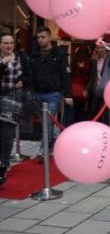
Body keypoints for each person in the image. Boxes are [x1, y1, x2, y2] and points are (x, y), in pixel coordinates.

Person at [30, 26, 72, 162]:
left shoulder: (59, 53)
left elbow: (65, 75)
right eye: (38, 38)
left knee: (48, 122)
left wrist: (67, 94)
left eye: (43, 37)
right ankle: (52, 143)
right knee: (44, 123)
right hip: (37, 93)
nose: (40, 40)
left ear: (49, 37)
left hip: (53, 94)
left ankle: (43, 150)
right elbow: (30, 73)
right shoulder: (34, 54)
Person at [0, 32, 31, 184]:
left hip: (11, 100)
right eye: (5, 43)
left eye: (11, 43)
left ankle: (3, 164)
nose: (9, 46)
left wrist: (22, 80)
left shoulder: (21, 57)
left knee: (7, 136)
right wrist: (3, 65)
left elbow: (29, 75)